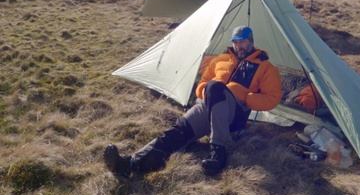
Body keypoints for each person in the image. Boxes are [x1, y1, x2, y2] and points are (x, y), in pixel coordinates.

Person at [103, 26, 282, 178]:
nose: (239, 46)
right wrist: (207, 92)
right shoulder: (220, 60)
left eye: (242, 42)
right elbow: (202, 85)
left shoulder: (265, 67)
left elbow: (272, 99)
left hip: (234, 116)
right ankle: (129, 165)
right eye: (235, 42)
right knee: (177, 132)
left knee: (215, 87)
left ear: (251, 41)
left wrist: (246, 97)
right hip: (209, 105)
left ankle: (219, 151)